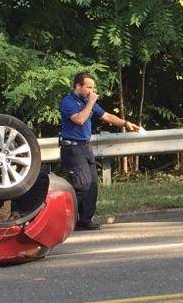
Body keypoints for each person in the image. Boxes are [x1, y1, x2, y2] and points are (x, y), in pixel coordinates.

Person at [58, 71, 141, 231]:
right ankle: (64, 217)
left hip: (85, 147)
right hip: (72, 148)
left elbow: (107, 116)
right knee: (82, 184)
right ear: (78, 86)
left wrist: (126, 123)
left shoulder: (86, 101)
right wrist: (91, 102)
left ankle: (85, 220)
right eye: (88, 87)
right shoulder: (68, 102)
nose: (91, 91)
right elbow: (80, 120)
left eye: (92, 87)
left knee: (92, 185)